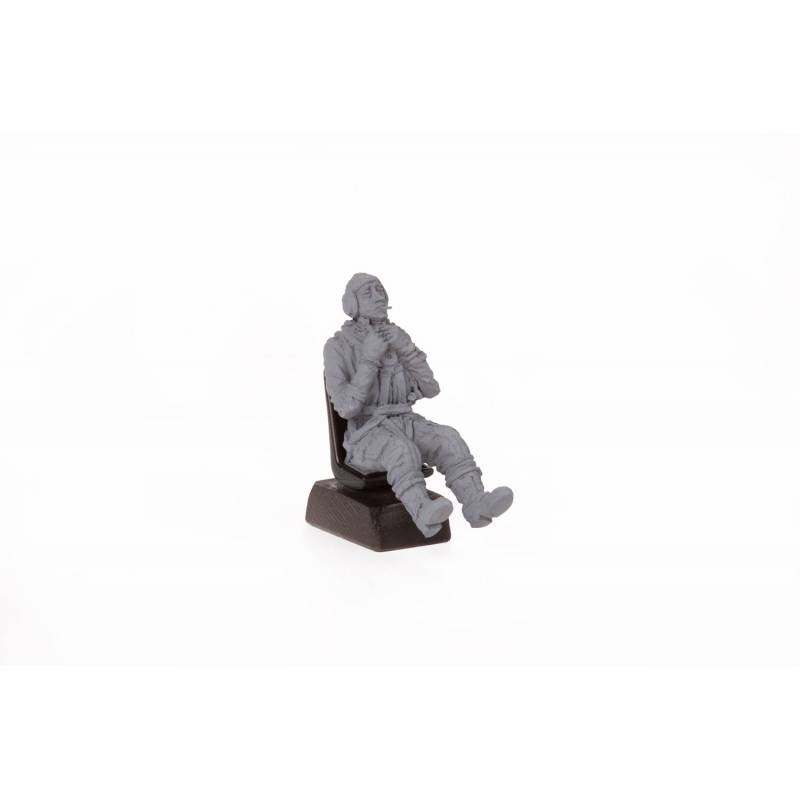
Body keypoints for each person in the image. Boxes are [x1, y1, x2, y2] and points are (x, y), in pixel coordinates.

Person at [323, 273, 513, 537]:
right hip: (365, 436)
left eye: (380, 290)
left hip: (405, 421)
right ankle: (423, 513)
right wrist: (369, 358)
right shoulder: (338, 346)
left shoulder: (396, 338)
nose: (378, 297)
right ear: (351, 303)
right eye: (368, 292)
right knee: (401, 450)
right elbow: (346, 408)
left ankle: (476, 504)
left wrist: (407, 348)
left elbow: (431, 389)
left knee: (448, 439)